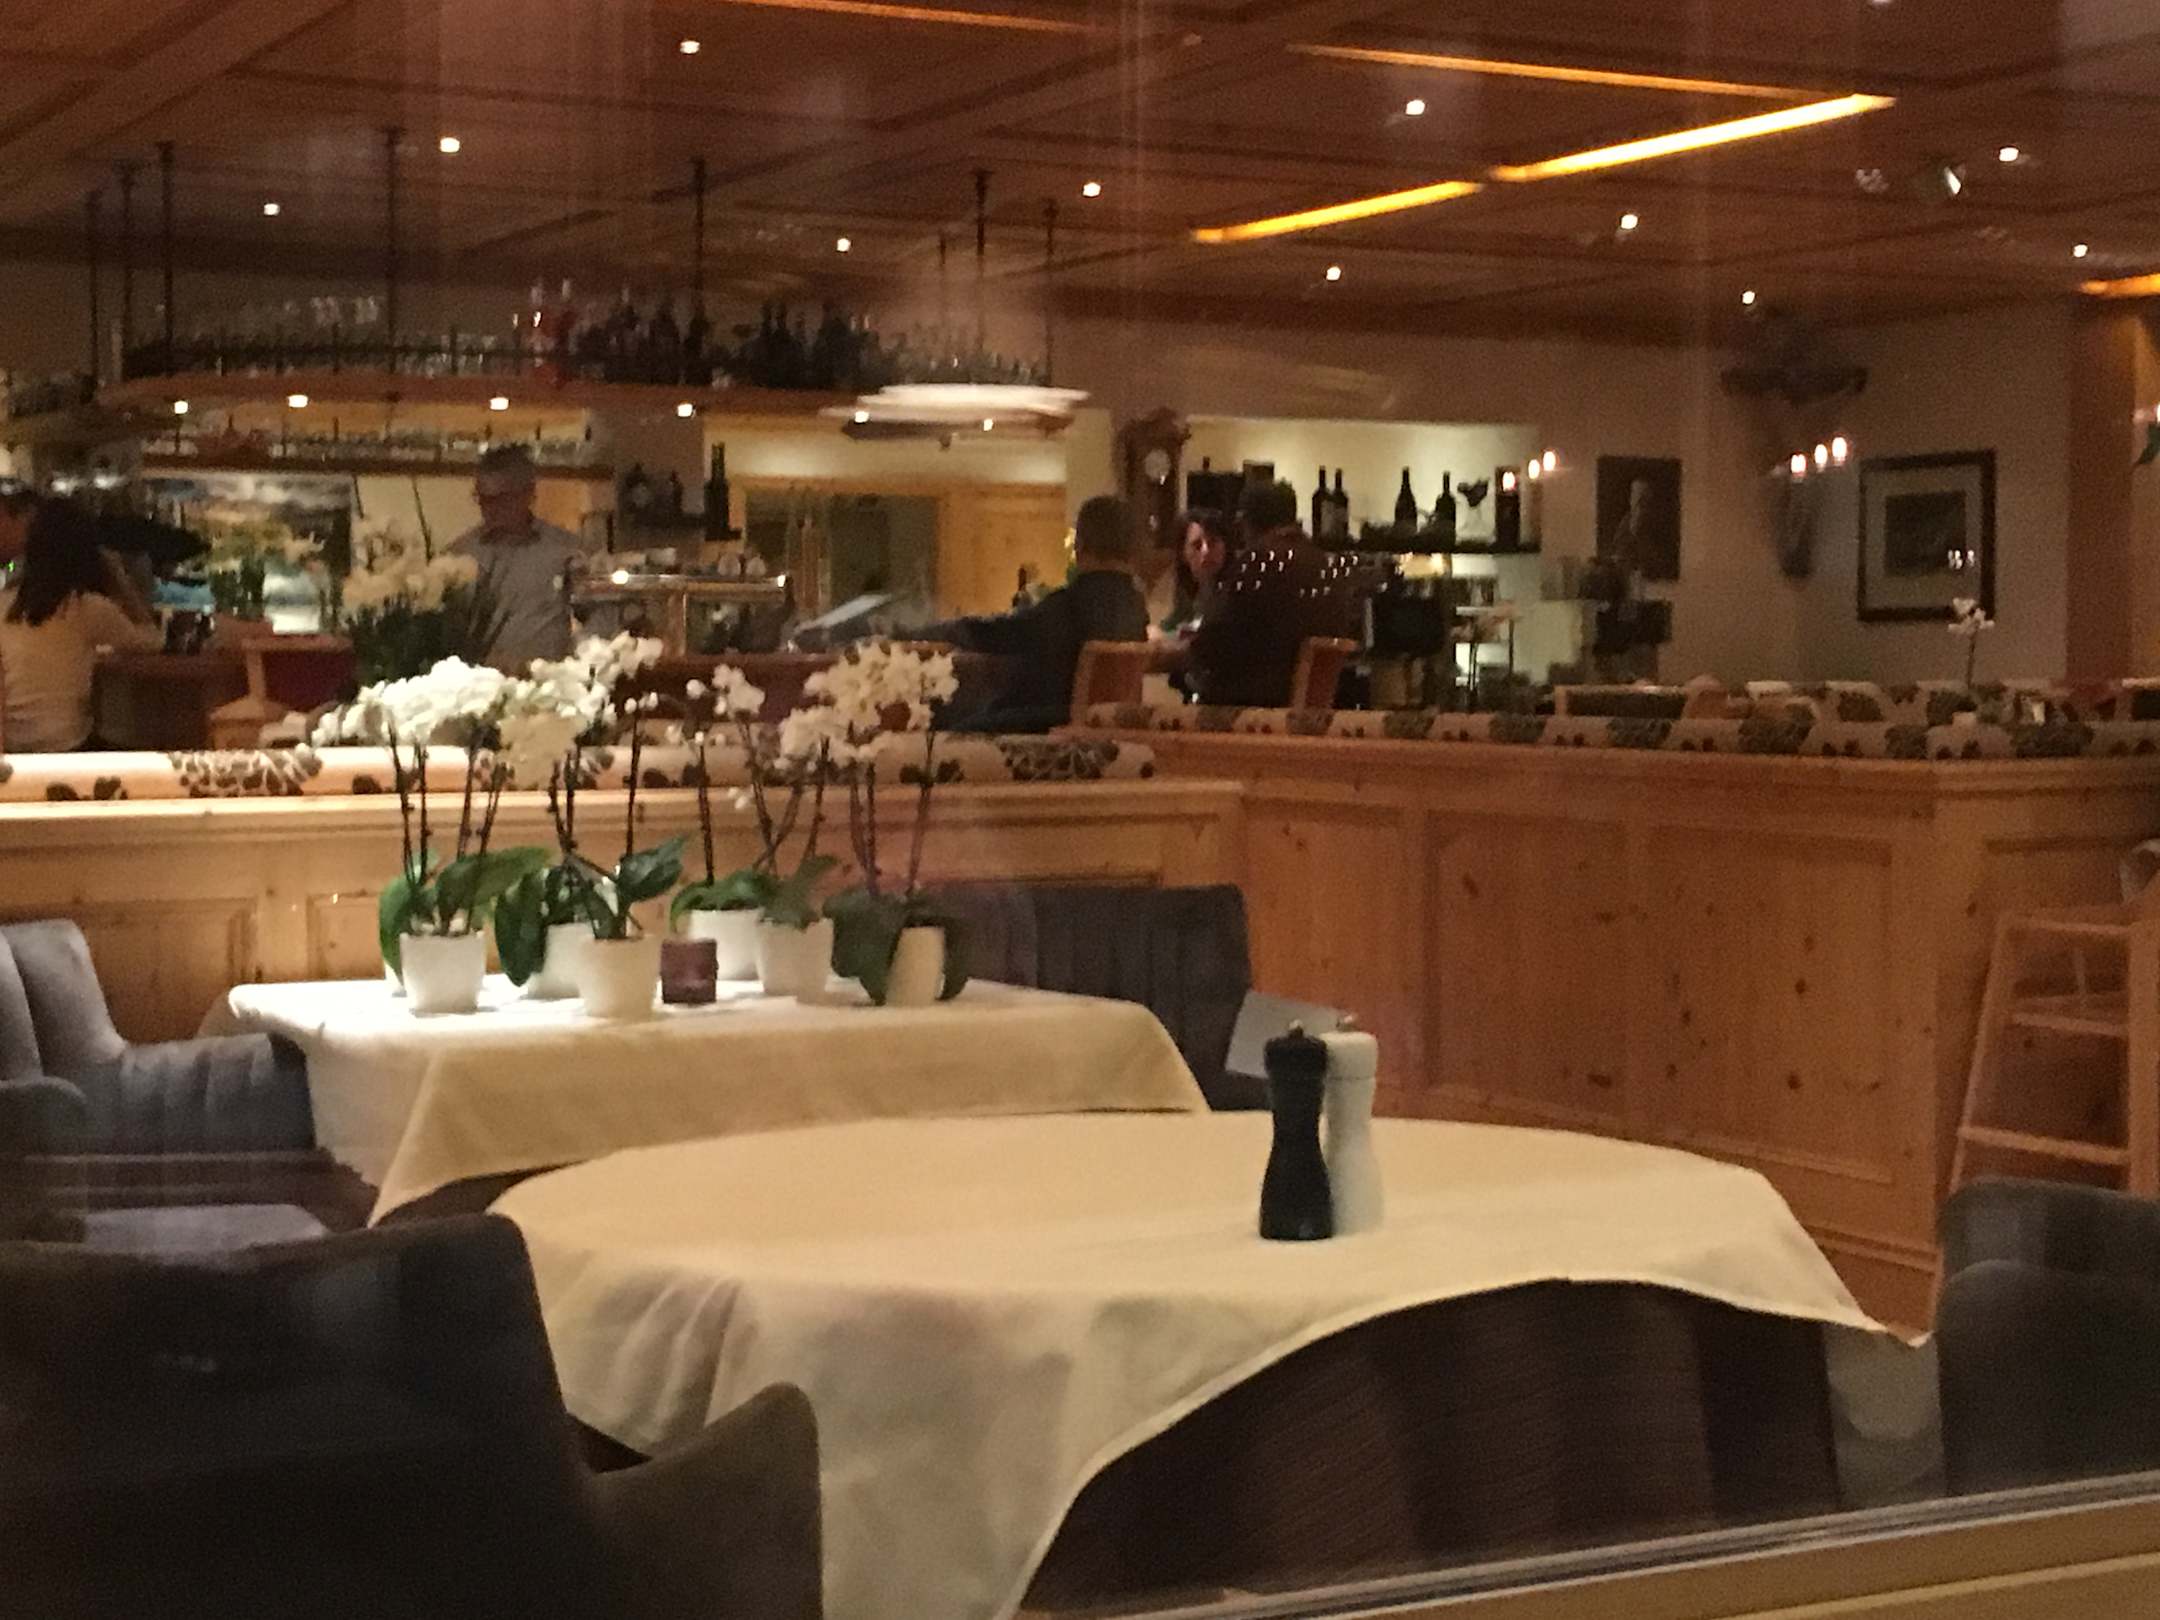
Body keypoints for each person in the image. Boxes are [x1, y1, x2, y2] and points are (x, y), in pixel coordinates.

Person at [917, 493, 1148, 732]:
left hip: (1043, 723)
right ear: (1131, 549)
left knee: (946, 726)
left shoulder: (1067, 606)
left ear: (1080, 545)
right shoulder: (1135, 609)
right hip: (1106, 727)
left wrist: (940, 631)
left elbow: (997, 634)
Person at [0, 497, 161, 752]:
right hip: (67, 746)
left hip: (13, 747)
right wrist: (118, 577)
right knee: (140, 748)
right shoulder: (88, 608)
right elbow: (153, 641)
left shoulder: (4, 605)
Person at [1185, 480, 1357, 709]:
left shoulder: (1257, 564)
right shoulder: (1325, 566)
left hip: (1256, 712)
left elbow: (1209, 647)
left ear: (1246, 522)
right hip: (1309, 714)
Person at [450, 444, 586, 666]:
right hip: (479, 681)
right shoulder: (459, 556)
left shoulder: (565, 550)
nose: (491, 508)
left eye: (502, 499)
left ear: (528, 494)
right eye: (484, 499)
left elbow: (596, 614)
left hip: (546, 679)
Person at [1162, 508, 1233, 633]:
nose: (1206, 551)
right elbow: (1169, 627)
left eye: (1213, 542)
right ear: (1183, 554)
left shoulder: (1238, 594)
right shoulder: (1187, 599)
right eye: (1197, 545)